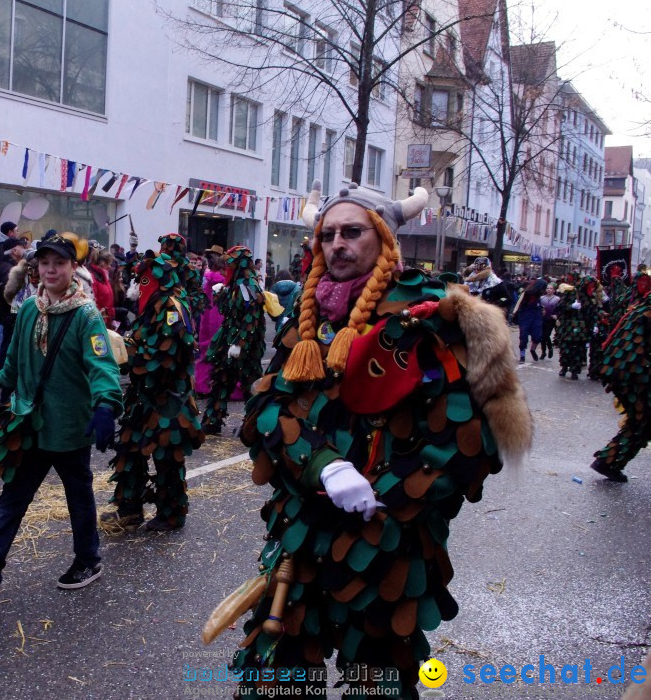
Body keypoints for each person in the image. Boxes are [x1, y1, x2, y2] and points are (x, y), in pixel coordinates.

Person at [223, 183, 531, 698]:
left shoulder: (431, 315)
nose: (337, 244)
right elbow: (265, 408)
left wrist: (386, 495)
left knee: (379, 684)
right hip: (303, 531)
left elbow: (472, 439)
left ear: (384, 238)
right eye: (328, 234)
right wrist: (324, 466)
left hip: (392, 540)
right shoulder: (308, 314)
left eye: (352, 232)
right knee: (276, 678)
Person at [0, 233, 122, 604]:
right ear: (36, 267)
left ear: (72, 267)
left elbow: (101, 365)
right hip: (29, 422)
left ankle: (88, 560)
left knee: (78, 496)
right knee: (12, 500)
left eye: (58, 263)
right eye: (44, 263)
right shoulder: (29, 309)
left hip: (68, 426)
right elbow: (12, 359)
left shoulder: (85, 314)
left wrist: (106, 405)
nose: (50, 270)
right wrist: (5, 396)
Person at [104, 234, 204, 532]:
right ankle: (130, 509)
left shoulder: (172, 308)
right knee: (129, 450)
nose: (139, 286)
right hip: (142, 394)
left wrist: (128, 357)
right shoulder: (152, 305)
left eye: (145, 281)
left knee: (166, 457)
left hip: (168, 398)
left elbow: (167, 358)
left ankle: (171, 514)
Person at [590, 271, 651, 483]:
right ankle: (607, 462)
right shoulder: (644, 309)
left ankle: (608, 462)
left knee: (641, 422)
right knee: (642, 422)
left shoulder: (642, 306)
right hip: (632, 373)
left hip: (623, 371)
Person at [201, 246, 266, 435]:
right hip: (228, 338)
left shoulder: (248, 285)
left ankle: (254, 424)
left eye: (230, 263)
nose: (227, 267)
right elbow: (227, 311)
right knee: (221, 379)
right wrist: (221, 295)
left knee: (249, 383)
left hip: (246, 344)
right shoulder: (235, 284)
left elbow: (252, 317)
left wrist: (240, 343)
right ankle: (213, 420)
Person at [0, 236, 26, 384]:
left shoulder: (10, 266)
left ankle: (2, 376)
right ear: (14, 250)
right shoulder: (9, 268)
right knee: (8, 345)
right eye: (21, 246)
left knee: (9, 344)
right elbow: (11, 294)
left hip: (11, 313)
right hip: (10, 314)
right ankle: (1, 377)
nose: (23, 249)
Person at [194, 246, 226, 397]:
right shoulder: (223, 281)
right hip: (218, 317)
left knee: (205, 352)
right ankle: (216, 385)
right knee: (219, 351)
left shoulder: (207, 278)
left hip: (206, 317)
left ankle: (202, 385)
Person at [555, 276, 599, 380]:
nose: (592, 289)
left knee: (579, 351)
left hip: (582, 329)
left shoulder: (591, 298)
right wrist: (571, 306)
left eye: (593, 287)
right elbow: (560, 306)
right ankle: (564, 368)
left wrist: (594, 325)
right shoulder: (571, 293)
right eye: (590, 286)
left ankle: (574, 371)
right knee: (566, 349)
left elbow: (593, 314)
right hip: (568, 327)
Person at [513, 277, 546, 362]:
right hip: (525, 317)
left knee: (537, 336)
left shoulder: (538, 295)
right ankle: (522, 356)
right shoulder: (526, 294)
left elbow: (538, 304)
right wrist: (514, 313)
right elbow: (518, 304)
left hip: (536, 317)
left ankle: (533, 350)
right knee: (523, 337)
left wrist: (541, 309)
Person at [88, 249, 115, 327]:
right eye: (108, 264)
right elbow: (93, 301)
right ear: (102, 263)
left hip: (106, 320)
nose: (110, 267)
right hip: (99, 322)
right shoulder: (92, 277)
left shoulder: (103, 276)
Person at [540, 282, 560, 358]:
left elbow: (559, 309)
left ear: (554, 290)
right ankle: (543, 352)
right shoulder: (542, 298)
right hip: (543, 319)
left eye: (551, 288)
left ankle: (550, 348)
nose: (549, 290)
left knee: (546, 335)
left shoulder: (557, 299)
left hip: (551, 319)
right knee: (542, 336)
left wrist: (556, 315)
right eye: (547, 288)